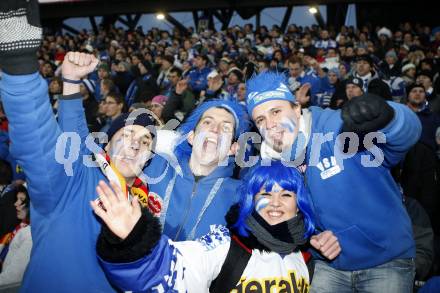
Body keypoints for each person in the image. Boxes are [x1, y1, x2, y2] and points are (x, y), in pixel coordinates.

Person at [0, 2, 156, 291]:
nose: (135, 143)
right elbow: (38, 142)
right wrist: (20, 65)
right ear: (107, 143)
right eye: (127, 134)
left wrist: (72, 85)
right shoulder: (72, 180)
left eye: (146, 140)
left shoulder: (151, 207)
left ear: (149, 159)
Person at [245, 71, 421, 292]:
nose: (270, 124)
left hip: (386, 259)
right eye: (260, 119)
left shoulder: (336, 127)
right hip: (327, 265)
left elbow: (405, 137)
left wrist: (391, 118)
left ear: (297, 109)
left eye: (276, 111)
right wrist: (310, 236)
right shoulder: (269, 165)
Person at [92, 161, 341, 292]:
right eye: (265, 194)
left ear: (299, 205)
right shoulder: (225, 244)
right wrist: (135, 240)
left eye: (286, 195)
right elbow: (173, 269)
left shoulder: (306, 256)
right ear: (251, 201)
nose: (275, 203)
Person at [143, 99, 251, 241]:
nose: (215, 129)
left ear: (233, 148)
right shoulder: (154, 166)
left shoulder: (240, 196)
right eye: (207, 122)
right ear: (191, 137)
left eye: (225, 128)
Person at [0, 185, 32, 287]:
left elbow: (14, 276)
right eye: (17, 199)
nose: (15, 204)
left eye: (21, 200)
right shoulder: (21, 226)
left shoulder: (30, 235)